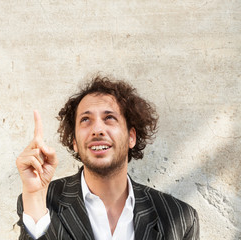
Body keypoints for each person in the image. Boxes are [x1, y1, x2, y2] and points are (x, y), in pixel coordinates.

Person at [16, 75, 199, 240]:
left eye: (109, 118)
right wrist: (34, 197)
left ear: (131, 137)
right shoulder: (42, 201)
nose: (97, 130)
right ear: (74, 142)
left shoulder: (180, 218)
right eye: (85, 120)